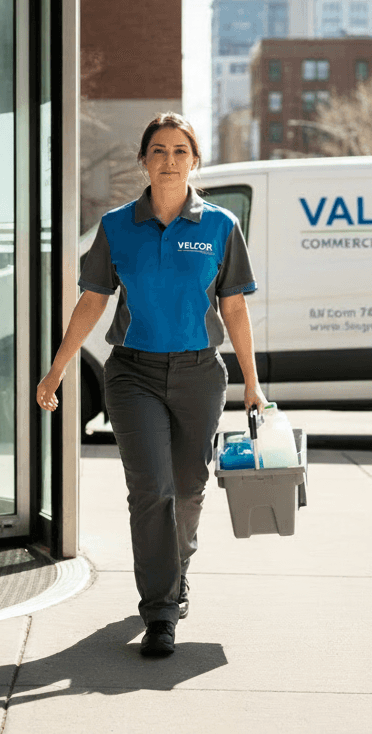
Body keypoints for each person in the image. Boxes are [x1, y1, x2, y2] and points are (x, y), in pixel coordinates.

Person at [36, 112, 267, 657]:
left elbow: (233, 308)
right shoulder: (118, 226)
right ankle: (161, 609)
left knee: (188, 487)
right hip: (133, 374)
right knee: (152, 490)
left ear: (194, 161)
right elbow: (92, 300)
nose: (168, 160)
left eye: (180, 151)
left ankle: (175, 570)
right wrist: (58, 367)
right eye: (158, 150)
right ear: (143, 159)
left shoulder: (219, 226)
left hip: (199, 375)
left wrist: (252, 385)